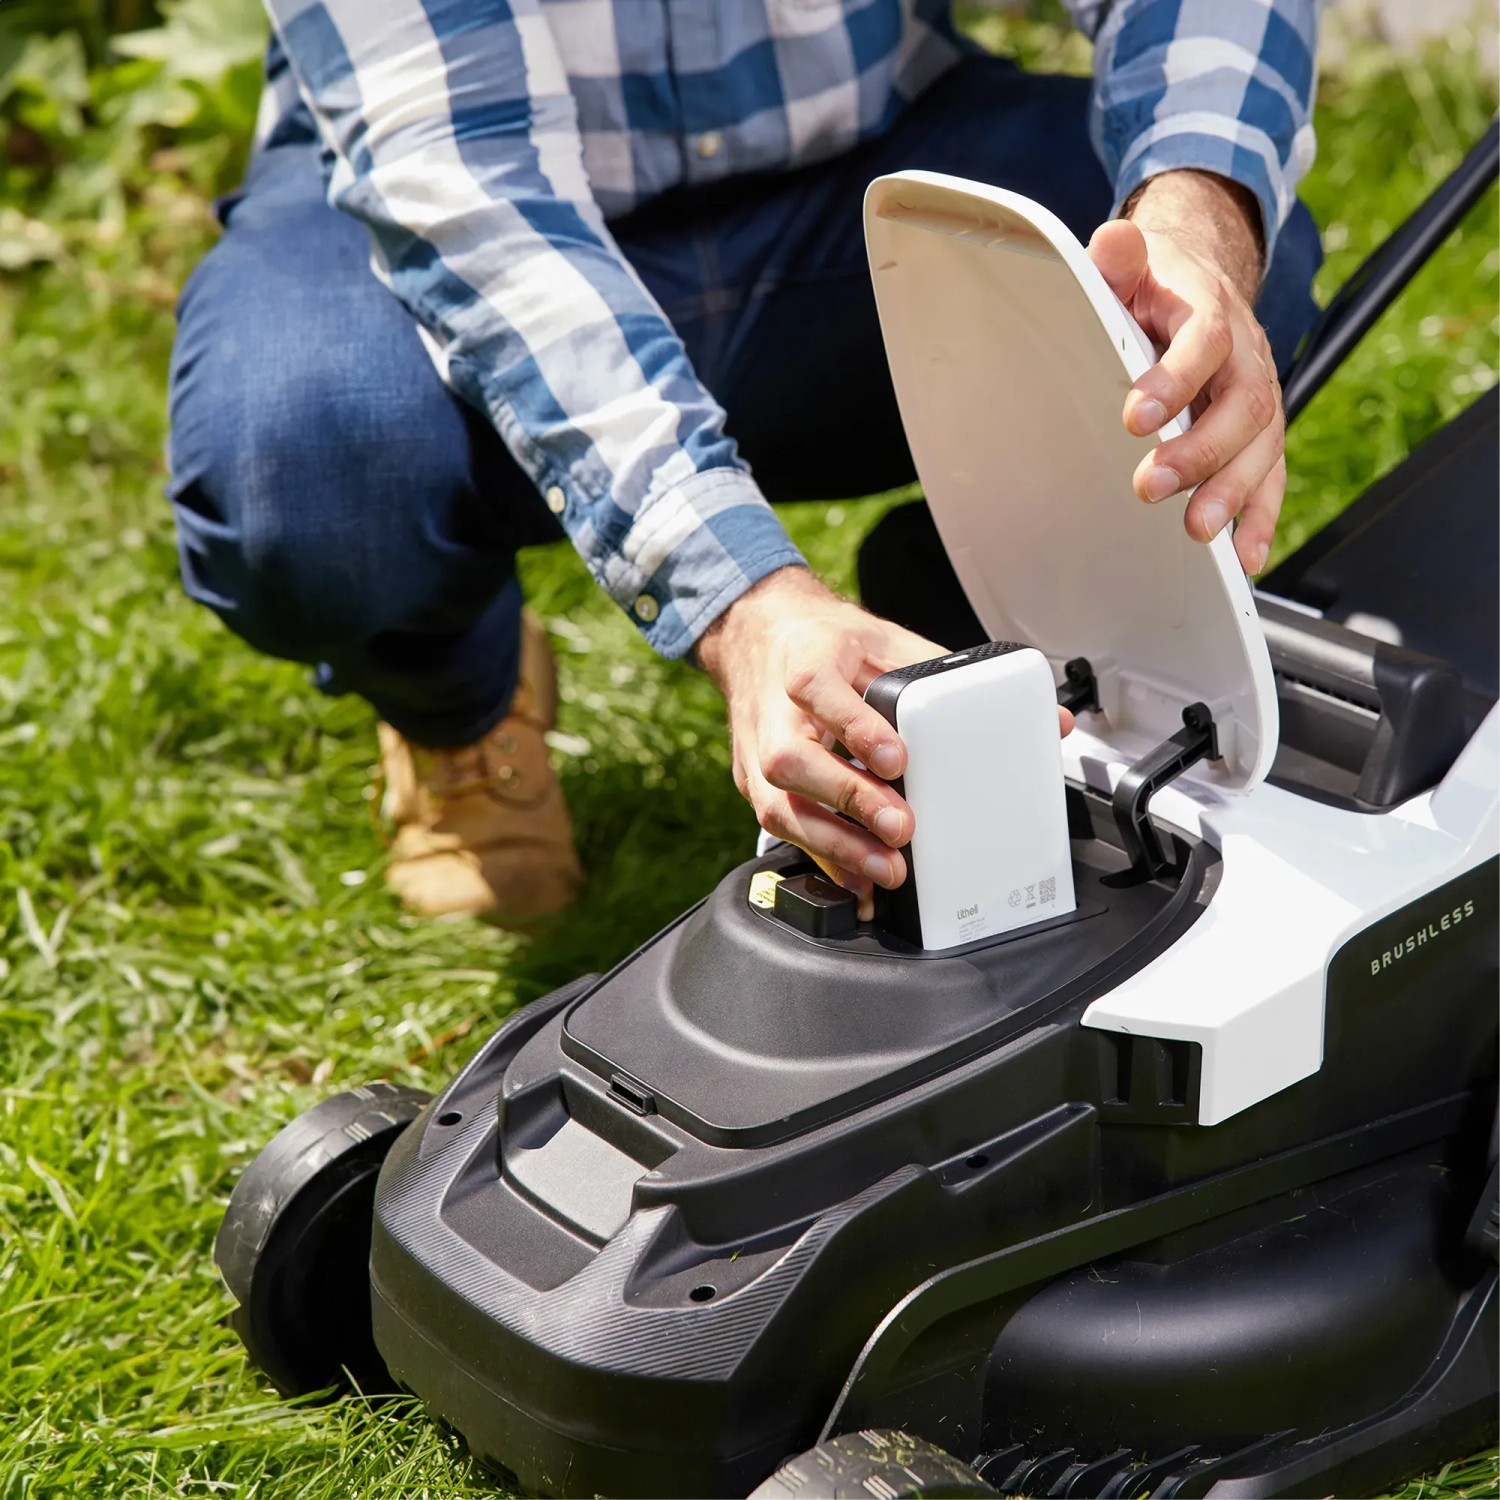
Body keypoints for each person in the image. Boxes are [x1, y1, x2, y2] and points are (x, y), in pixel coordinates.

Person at [167, 0, 1321, 923]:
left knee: (1196, 282)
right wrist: (747, 605)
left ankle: (983, 614)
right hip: (454, 230)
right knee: (300, 472)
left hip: (848, 164)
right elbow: (472, 200)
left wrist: (1193, 216)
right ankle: (460, 708)